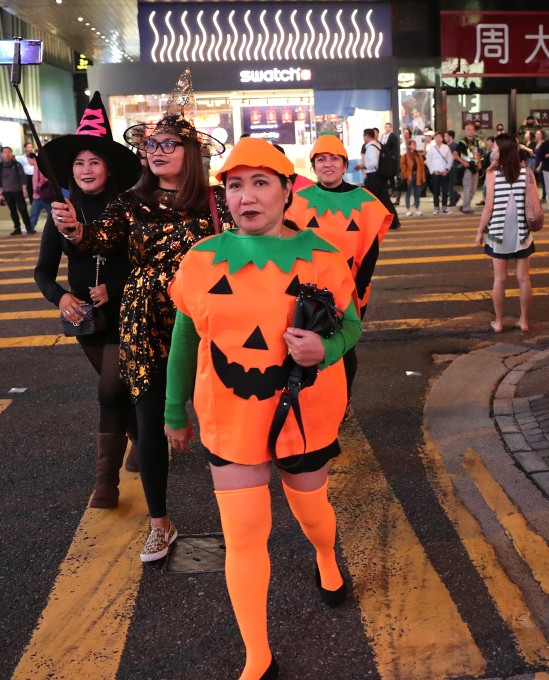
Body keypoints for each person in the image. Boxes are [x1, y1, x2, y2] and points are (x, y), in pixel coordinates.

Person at [165, 138, 361, 680]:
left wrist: (329, 349)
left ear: (285, 191)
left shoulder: (322, 255)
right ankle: (258, 654)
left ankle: (325, 556)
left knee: (312, 514)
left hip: (304, 411)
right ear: (223, 195)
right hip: (229, 415)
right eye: (234, 185)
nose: (246, 196)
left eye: (260, 183)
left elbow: (350, 324)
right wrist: (173, 410)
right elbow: (186, 335)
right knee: (245, 535)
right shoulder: (203, 259)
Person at [52, 70, 231, 562]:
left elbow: (249, 245)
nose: (156, 150)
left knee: (223, 422)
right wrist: (72, 229)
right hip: (145, 318)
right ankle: (160, 522)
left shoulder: (216, 202)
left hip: (208, 317)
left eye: (168, 143)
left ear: (190, 152)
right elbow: (96, 241)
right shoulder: (130, 202)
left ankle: (242, 512)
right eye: (150, 143)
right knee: (149, 423)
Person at [34, 93, 142, 508]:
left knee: (109, 389)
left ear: (108, 167)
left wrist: (113, 288)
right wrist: (60, 298)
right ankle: (136, 435)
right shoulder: (62, 212)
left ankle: (105, 485)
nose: (86, 169)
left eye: (94, 161)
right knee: (117, 389)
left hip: (126, 314)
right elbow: (43, 272)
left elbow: (146, 264)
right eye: (79, 163)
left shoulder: (130, 209)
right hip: (85, 320)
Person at [286, 133, 392, 398]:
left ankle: (343, 398)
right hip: (308, 289)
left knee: (344, 345)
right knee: (308, 343)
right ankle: (314, 398)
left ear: (345, 165)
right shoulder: (299, 201)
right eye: (320, 160)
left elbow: (370, 250)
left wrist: (358, 287)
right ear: (313, 167)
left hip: (350, 287)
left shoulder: (365, 200)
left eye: (334, 159)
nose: (327, 164)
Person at [476, 133, 541, 334]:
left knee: (500, 279)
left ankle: (499, 322)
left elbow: (488, 208)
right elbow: (534, 201)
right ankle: (524, 321)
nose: (492, 150)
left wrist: (479, 232)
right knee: (523, 278)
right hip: (522, 232)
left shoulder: (493, 174)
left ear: (503, 150)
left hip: (498, 233)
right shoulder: (526, 172)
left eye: (494, 147)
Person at [0, 146, 34, 235]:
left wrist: (24, 191)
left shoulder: (17, 164)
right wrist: (0, 194)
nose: (7, 154)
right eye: (5, 152)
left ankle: (29, 228)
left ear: (11, 153)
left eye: (9, 152)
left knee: (23, 210)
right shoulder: (0, 166)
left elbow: (23, 178)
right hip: (7, 192)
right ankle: (17, 228)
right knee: (12, 211)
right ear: (1, 154)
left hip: (18, 191)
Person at [455, 123, 482, 214]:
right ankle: (466, 208)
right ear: (466, 131)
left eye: (472, 130)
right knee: (467, 188)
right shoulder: (462, 142)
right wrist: (463, 162)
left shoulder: (476, 141)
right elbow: (455, 154)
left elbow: (477, 154)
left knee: (473, 189)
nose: (471, 132)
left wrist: (479, 163)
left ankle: (464, 205)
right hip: (467, 169)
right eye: (469, 130)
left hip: (475, 168)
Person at [425, 132, 453, 215]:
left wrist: (446, 169)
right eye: (436, 137)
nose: (438, 139)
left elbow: (450, 159)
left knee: (445, 191)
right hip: (435, 173)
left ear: (442, 138)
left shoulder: (446, 148)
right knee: (436, 191)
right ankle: (436, 207)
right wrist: (433, 171)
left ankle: (445, 207)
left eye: (440, 137)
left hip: (444, 172)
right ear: (434, 138)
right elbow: (428, 161)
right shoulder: (431, 149)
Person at [400, 139, 425, 217]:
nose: (414, 145)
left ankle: (417, 209)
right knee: (408, 193)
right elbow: (403, 167)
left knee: (417, 193)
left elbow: (422, 167)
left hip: (417, 176)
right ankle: (408, 210)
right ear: (409, 146)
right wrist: (408, 175)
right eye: (413, 144)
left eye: (415, 144)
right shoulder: (405, 156)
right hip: (409, 177)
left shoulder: (418, 155)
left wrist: (423, 176)